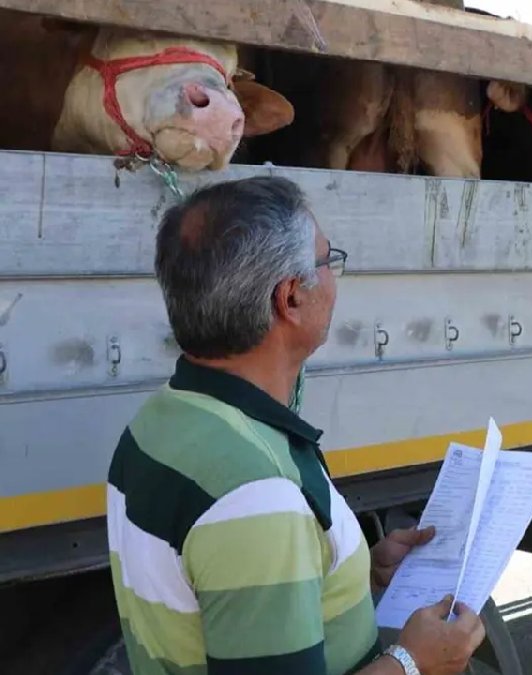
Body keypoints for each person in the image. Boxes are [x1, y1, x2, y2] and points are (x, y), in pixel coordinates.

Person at [105, 176, 486, 675]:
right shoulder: (257, 495)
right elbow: (251, 533)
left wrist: (350, 573)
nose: (333, 277)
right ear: (289, 299)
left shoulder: (164, 418)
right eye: (328, 261)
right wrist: (412, 662)